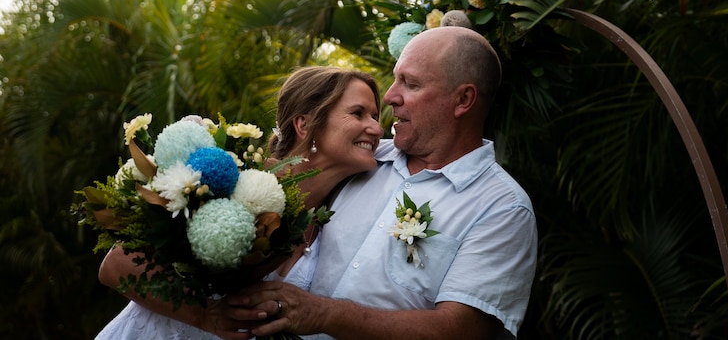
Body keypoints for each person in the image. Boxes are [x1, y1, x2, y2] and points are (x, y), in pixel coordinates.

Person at [226, 26, 538, 339]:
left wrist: (323, 313)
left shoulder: (503, 207)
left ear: (463, 100)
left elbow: (459, 331)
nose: (389, 96)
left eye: (411, 84)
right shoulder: (360, 156)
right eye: (395, 78)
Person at [95, 66, 384, 340]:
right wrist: (206, 316)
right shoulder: (229, 178)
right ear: (304, 125)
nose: (376, 129)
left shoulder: (327, 224)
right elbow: (116, 267)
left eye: (375, 116)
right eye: (358, 114)